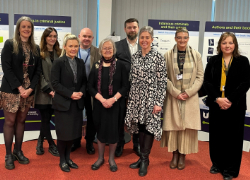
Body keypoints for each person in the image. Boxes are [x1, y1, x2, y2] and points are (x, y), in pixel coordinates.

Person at [203, 32, 250, 180]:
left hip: (235, 106)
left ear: (234, 44)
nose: (227, 46)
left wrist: (229, 100)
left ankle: (230, 170)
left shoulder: (243, 61)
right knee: (217, 136)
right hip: (217, 105)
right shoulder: (213, 61)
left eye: (230, 43)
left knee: (233, 139)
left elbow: (245, 83)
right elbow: (207, 82)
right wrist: (217, 99)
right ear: (220, 45)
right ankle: (216, 163)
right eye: (224, 43)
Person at [125, 26, 167, 176]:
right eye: (142, 37)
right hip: (136, 98)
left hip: (151, 99)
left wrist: (159, 103)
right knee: (140, 128)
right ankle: (142, 157)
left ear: (152, 39)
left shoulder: (158, 57)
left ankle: (144, 159)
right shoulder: (135, 56)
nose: (144, 40)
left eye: (147, 37)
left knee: (149, 128)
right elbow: (132, 78)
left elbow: (162, 82)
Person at [1, 16, 41, 170]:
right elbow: (6, 68)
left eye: (29, 27)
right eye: (23, 26)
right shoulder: (10, 44)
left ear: (32, 30)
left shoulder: (35, 48)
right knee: (10, 122)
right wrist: (20, 87)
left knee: (21, 121)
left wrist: (30, 88)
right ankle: (8, 155)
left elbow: (37, 71)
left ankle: (18, 151)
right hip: (11, 90)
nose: (26, 29)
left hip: (28, 91)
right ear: (18, 28)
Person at [160, 28, 204, 170]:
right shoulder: (167, 55)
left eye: (185, 37)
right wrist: (175, 92)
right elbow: (163, 77)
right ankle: (174, 155)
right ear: (175, 38)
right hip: (174, 97)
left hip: (189, 98)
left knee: (186, 128)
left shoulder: (196, 55)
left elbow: (200, 76)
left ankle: (182, 156)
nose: (182, 40)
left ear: (188, 38)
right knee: (174, 127)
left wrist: (189, 92)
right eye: (179, 37)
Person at [88, 38, 129, 172]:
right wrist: (102, 99)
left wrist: (112, 100)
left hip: (115, 105)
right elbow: (90, 87)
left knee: (113, 132)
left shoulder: (121, 65)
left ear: (113, 50)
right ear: (100, 50)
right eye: (104, 48)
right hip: (100, 105)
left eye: (109, 48)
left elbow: (125, 86)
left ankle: (111, 159)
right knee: (100, 131)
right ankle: (100, 158)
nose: (107, 50)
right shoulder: (95, 66)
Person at [51, 33, 87, 172]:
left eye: (76, 46)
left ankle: (68, 158)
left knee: (72, 133)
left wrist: (81, 93)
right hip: (63, 104)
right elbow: (55, 83)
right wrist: (70, 94)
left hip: (76, 104)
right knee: (63, 134)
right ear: (65, 46)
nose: (73, 48)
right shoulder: (58, 62)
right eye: (70, 46)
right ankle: (62, 160)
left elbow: (84, 81)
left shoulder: (80, 62)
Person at [71, 28, 101, 154]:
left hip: (91, 90)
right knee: (76, 116)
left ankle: (89, 142)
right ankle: (76, 141)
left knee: (91, 117)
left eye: (89, 36)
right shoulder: (72, 49)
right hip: (75, 90)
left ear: (92, 38)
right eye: (84, 36)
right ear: (79, 36)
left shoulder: (97, 52)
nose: (86, 39)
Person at [115, 18, 141, 157]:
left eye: (134, 27)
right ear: (125, 29)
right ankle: (120, 145)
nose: (132, 30)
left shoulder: (144, 46)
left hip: (138, 91)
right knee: (120, 118)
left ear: (138, 28)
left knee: (136, 119)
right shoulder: (117, 46)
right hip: (121, 90)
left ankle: (136, 145)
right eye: (129, 27)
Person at [35, 27, 61, 157]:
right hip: (43, 93)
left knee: (47, 119)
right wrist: (49, 90)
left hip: (56, 93)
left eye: (54, 36)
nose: (52, 38)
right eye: (50, 36)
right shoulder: (39, 52)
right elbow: (38, 74)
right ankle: (51, 144)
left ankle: (40, 141)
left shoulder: (59, 52)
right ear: (45, 37)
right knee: (45, 118)